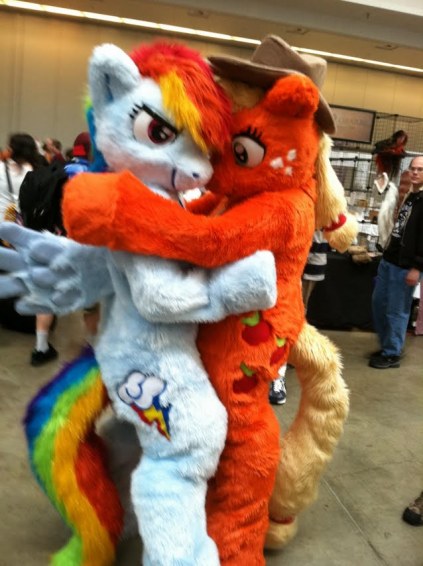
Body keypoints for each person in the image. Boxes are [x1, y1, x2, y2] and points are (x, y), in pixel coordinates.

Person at [369, 156, 423, 369]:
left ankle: (392, 354)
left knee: (396, 310)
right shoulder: (410, 196)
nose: (415, 172)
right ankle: (387, 346)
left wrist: (417, 267)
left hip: (406, 266)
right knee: (378, 304)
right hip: (389, 260)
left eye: (420, 169)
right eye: (413, 168)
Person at [0, 133, 41, 221]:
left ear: (11, 149)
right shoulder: (35, 171)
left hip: (2, 216)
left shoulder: (1, 168)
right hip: (22, 220)